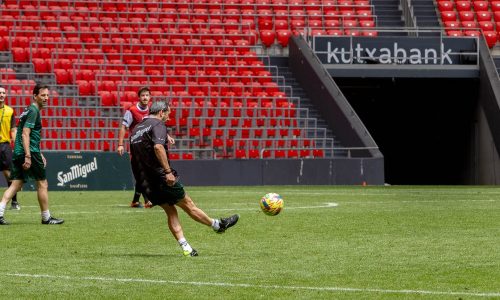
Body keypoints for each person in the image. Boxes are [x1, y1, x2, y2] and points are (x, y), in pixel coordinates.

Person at [129, 100, 239, 256]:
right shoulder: (158, 125)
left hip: (145, 181)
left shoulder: (136, 130)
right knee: (188, 204)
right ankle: (218, 225)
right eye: (168, 113)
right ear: (161, 112)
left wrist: (143, 187)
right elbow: (158, 147)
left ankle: (186, 248)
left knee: (170, 210)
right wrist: (168, 172)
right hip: (161, 178)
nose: (168, 117)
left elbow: (133, 158)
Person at [0, 84, 64, 225]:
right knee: (42, 183)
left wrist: (38, 153)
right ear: (35, 96)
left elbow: (27, 134)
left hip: (19, 151)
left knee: (16, 184)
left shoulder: (28, 110)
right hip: (28, 152)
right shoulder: (34, 111)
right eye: (43, 95)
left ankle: (0, 212)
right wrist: (29, 155)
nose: (46, 98)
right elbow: (25, 134)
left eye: (47, 95)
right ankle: (46, 217)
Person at [117, 87, 152, 208]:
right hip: (136, 148)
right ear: (139, 97)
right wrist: (120, 144)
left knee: (143, 173)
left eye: (147, 95)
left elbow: (157, 125)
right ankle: (148, 200)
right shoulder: (131, 111)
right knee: (142, 173)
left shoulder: (152, 110)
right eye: (143, 95)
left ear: (150, 97)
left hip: (148, 148)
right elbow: (123, 127)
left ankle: (135, 201)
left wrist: (167, 136)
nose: (145, 97)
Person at [0, 86, 20, 210]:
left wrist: (17, 144)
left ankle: (14, 202)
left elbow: (13, 129)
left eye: (3, 93)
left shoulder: (10, 111)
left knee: (9, 174)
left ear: (5, 95)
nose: (1, 95)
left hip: (4, 146)